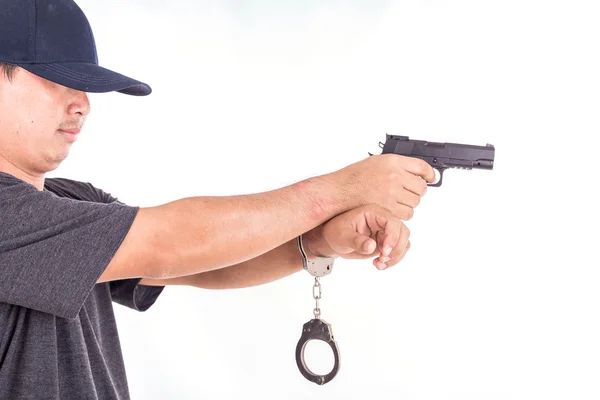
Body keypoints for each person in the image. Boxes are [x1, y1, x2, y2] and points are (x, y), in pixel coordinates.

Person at [0, 0, 436, 398]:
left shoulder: (71, 203)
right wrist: (341, 190)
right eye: (57, 80)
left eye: (86, 87)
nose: (83, 105)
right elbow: (168, 243)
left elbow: (193, 262)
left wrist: (317, 243)